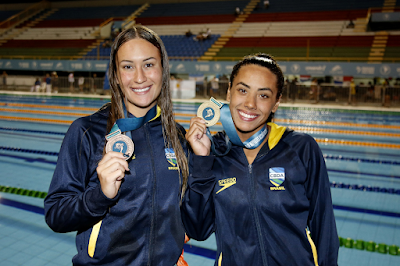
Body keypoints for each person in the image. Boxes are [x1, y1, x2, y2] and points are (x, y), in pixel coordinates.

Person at [44, 25, 189, 265]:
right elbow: (56, 215)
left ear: (163, 70)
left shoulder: (177, 136)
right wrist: (99, 196)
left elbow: (194, 218)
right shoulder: (86, 132)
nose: (140, 77)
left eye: (149, 64)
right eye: (128, 66)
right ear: (116, 74)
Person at [182, 53, 339, 265]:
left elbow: (324, 227)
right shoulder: (213, 152)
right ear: (229, 92)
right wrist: (201, 161)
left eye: (263, 95)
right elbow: (197, 230)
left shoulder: (300, 148)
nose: (250, 104)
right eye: (243, 90)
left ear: (276, 103)